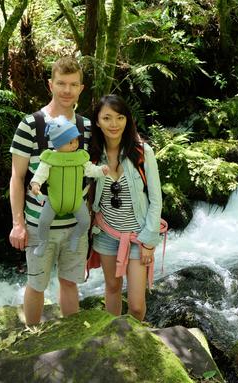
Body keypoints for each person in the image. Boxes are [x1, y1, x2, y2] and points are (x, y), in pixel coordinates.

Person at [9, 57, 89, 325]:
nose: (67, 90)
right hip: (38, 226)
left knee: (69, 283)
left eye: (73, 84)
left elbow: (92, 173)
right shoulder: (30, 125)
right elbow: (17, 177)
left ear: (81, 88)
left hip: (75, 226)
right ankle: (31, 341)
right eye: (61, 84)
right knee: (37, 285)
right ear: (50, 85)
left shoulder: (87, 127)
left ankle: (72, 340)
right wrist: (17, 224)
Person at [88, 94, 163, 321]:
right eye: (107, 118)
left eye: (120, 118)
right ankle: (115, 342)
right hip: (106, 234)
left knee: (137, 306)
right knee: (112, 288)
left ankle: (135, 345)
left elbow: (156, 199)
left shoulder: (142, 152)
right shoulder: (92, 155)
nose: (114, 124)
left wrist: (149, 240)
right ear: (98, 122)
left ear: (128, 120)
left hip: (137, 238)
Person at [30, 115, 109, 256]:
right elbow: (40, 174)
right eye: (70, 142)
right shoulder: (49, 159)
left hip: (76, 201)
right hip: (54, 201)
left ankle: (76, 236)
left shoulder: (80, 157)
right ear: (57, 143)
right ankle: (43, 242)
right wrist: (35, 184)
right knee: (43, 222)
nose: (75, 144)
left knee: (85, 222)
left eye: (76, 140)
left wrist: (101, 170)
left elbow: (90, 170)